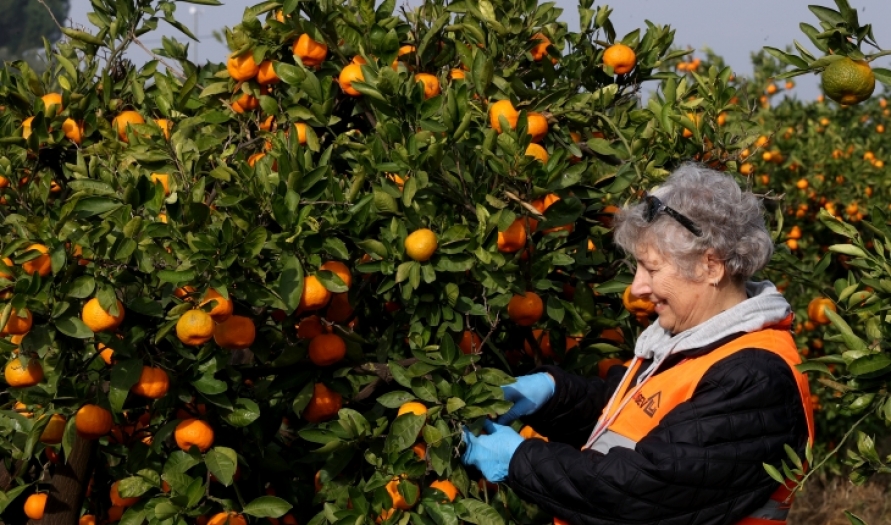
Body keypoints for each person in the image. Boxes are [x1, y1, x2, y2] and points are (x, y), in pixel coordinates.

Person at [462, 164, 815, 525]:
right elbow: (632, 416)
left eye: (652, 269)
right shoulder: (696, 343)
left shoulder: (756, 378)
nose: (637, 288)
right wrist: (553, 396)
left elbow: (640, 491)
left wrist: (519, 460)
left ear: (710, 266)